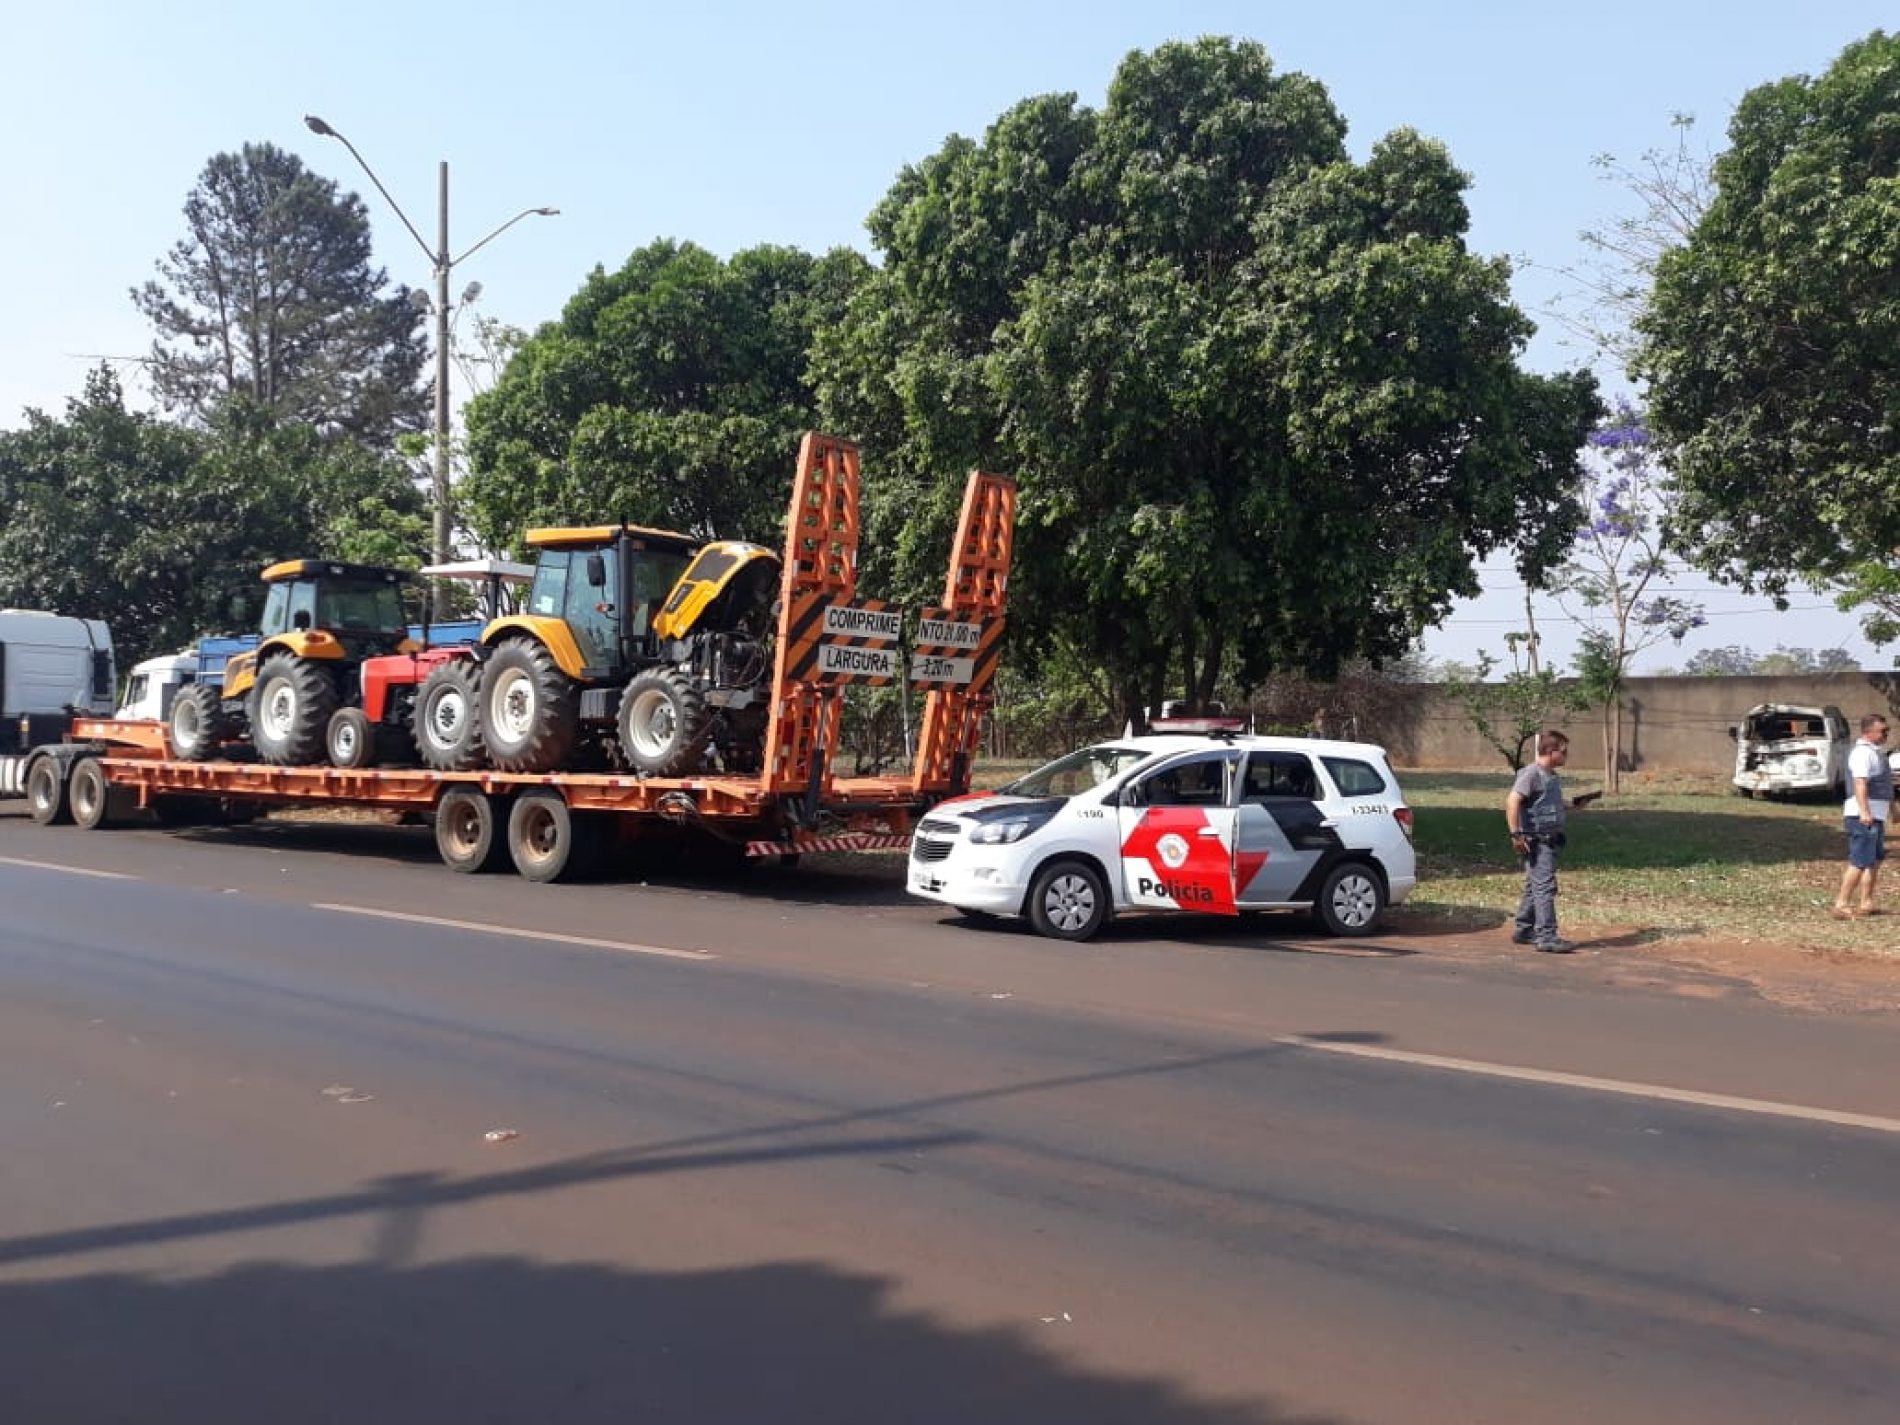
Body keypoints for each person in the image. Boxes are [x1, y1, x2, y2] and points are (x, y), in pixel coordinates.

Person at [1505, 730, 1598, 954]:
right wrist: (1516, 834)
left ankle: (1525, 929)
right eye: (1563, 751)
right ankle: (1547, 936)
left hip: (1552, 839)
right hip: (1537, 841)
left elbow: (1549, 803)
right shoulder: (1531, 774)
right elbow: (1512, 801)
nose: (1567, 755)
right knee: (1544, 887)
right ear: (1550, 751)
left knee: (1535, 884)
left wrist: (1573, 805)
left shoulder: (1551, 776)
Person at [1834, 712, 1892, 919]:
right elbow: (1860, 783)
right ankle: (1841, 904)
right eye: (1883, 730)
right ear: (1868, 731)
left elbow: (1884, 786)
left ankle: (1866, 902)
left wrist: (1891, 811)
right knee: (1859, 861)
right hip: (1863, 816)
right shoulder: (1862, 753)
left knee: (1873, 860)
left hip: (1876, 815)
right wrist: (1865, 811)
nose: (1887, 734)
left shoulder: (1876, 752)